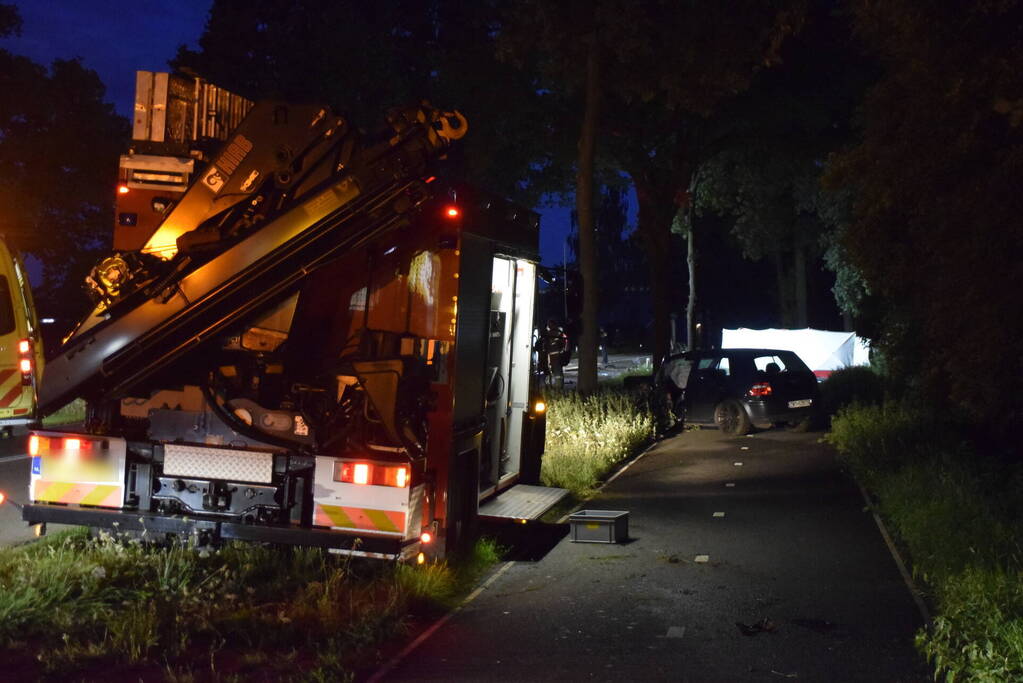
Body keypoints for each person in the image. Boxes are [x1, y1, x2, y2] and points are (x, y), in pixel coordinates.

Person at [540, 319, 568, 387]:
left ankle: (558, 387)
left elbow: (564, 342)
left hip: (555, 356)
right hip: (552, 356)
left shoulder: (553, 333)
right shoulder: (556, 332)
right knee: (554, 372)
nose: (548, 326)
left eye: (549, 324)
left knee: (557, 372)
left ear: (552, 324)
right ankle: (556, 386)